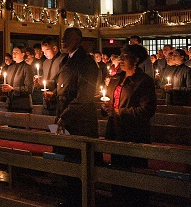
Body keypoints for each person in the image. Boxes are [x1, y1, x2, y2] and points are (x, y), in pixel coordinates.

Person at [102, 44, 157, 207]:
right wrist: (106, 107)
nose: (122, 60)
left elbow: (147, 110)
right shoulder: (117, 78)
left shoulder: (144, 81)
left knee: (135, 174)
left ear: (136, 59)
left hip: (134, 134)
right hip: (116, 131)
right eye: (121, 56)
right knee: (117, 172)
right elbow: (112, 103)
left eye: (126, 56)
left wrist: (119, 112)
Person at [52, 27, 100, 207]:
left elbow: (84, 96)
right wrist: (52, 92)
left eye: (67, 38)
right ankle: (70, 198)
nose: (63, 40)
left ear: (78, 39)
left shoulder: (86, 62)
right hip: (64, 116)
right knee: (67, 163)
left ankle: (81, 201)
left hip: (79, 121)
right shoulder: (65, 59)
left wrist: (65, 116)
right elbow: (62, 85)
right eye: (63, 37)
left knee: (79, 164)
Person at [1, 46, 34, 113]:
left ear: (23, 54)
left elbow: (29, 88)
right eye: (13, 53)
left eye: (17, 52)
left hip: (22, 105)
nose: (14, 54)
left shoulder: (27, 68)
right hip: (11, 104)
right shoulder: (10, 67)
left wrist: (13, 88)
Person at [40, 36, 64, 116]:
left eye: (47, 50)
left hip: (58, 100)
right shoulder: (45, 62)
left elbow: (63, 82)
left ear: (54, 48)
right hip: (46, 102)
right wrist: (38, 83)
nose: (44, 54)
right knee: (47, 125)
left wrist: (53, 93)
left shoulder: (63, 60)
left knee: (56, 127)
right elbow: (44, 79)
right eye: (43, 51)